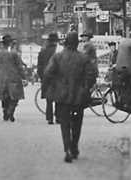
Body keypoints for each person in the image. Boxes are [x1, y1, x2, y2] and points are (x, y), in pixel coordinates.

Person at [44, 31, 97, 163]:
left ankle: (67, 148)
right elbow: (91, 75)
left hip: (62, 96)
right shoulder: (83, 58)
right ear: (77, 44)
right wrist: (86, 88)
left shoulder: (57, 57)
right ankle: (74, 146)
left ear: (66, 43)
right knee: (77, 123)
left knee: (65, 123)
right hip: (79, 96)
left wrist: (54, 85)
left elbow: (48, 73)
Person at [0, 34, 25, 122]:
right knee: (14, 96)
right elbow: (19, 66)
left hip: (1, 78)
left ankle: (5, 111)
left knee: (4, 96)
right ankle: (11, 111)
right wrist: (24, 77)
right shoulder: (14, 53)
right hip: (14, 77)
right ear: (10, 43)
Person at [37, 32, 59, 124]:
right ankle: (58, 117)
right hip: (58, 77)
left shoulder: (43, 51)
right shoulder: (59, 51)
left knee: (49, 99)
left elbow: (39, 66)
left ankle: (49, 118)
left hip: (46, 77)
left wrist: (41, 77)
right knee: (59, 99)